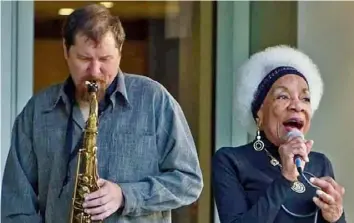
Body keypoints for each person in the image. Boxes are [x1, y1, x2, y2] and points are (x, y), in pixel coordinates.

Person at [1, 4, 203, 223]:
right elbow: (16, 205)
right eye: (84, 59)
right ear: (66, 51)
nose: (95, 71)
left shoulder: (154, 100)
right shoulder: (38, 111)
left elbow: (189, 182)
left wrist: (125, 195)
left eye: (105, 59)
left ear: (120, 52)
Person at [212, 45, 346, 223]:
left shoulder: (320, 164)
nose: (297, 106)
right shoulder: (231, 160)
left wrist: (336, 216)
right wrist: (286, 179)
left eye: (305, 98)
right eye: (283, 96)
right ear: (258, 112)